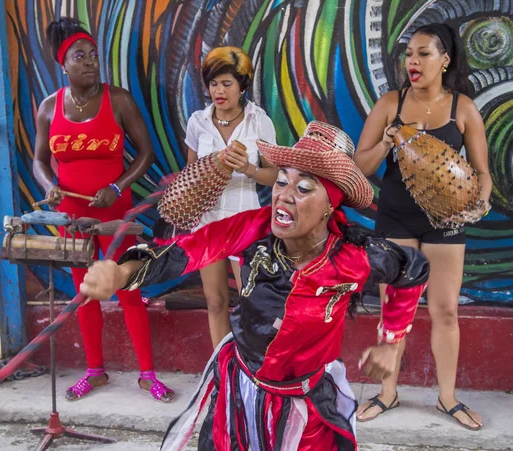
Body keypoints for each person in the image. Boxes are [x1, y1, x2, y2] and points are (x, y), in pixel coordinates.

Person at [79, 121, 430, 450]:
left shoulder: (353, 258)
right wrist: (123, 274)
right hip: (239, 392)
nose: (285, 195)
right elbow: (191, 249)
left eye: (304, 187)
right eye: (281, 181)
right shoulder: (255, 228)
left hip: (306, 406)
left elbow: (411, 270)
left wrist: (391, 341)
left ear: (330, 205)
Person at [354, 23, 492, 430]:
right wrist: (387, 141)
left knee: (446, 311)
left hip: (445, 223)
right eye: (409, 54)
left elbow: (483, 175)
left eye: (423, 54)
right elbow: (358, 168)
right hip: (395, 216)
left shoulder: (462, 108)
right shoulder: (389, 104)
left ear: (444, 59)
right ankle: (387, 394)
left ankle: (447, 399)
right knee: (395, 309)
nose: (412, 61)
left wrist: (479, 202)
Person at [32, 17, 174, 402]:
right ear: (65, 64)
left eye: (94, 55)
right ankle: (95, 372)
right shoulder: (49, 109)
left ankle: (148, 374)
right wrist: (50, 188)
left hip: (115, 217)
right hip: (73, 221)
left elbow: (146, 153)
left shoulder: (120, 100)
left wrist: (117, 186)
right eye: (81, 56)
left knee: (129, 291)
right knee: (86, 294)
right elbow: (39, 162)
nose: (91, 61)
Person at [182, 46, 278, 349]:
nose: (218, 91)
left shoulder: (259, 121)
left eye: (226, 83)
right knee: (215, 301)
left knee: (251, 302)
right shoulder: (198, 122)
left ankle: (250, 368)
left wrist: (248, 168)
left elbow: (275, 176)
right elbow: (190, 173)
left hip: (244, 220)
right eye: (213, 83)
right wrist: (204, 178)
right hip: (207, 221)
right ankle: (221, 369)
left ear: (242, 85)